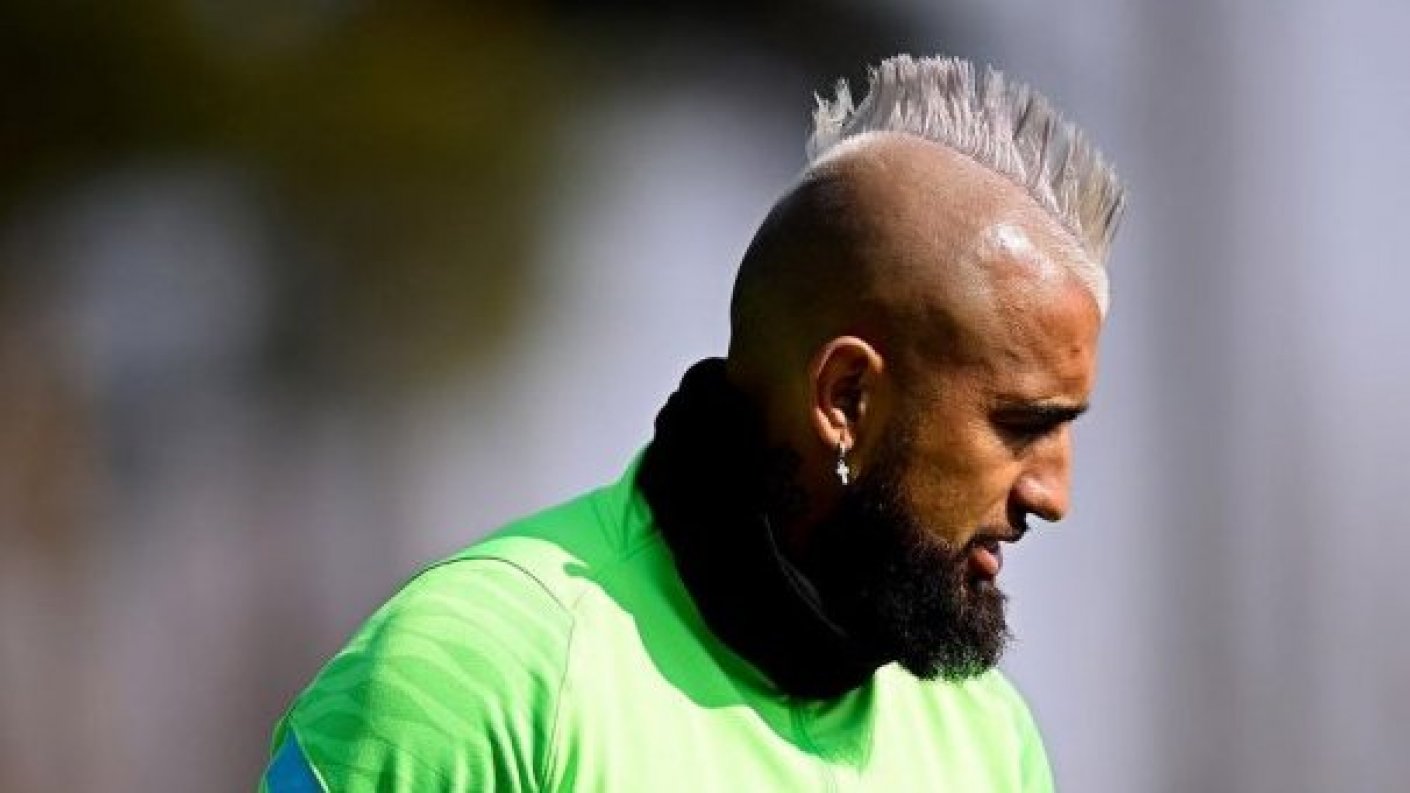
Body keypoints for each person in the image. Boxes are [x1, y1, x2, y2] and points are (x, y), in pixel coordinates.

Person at [261, 53, 1125, 792]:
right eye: (1021, 425)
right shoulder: (473, 675)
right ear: (846, 399)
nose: (1054, 494)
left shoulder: (987, 743)